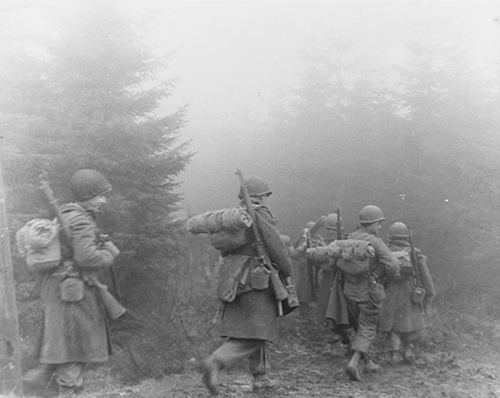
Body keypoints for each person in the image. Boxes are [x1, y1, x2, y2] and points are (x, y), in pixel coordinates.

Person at [22, 169, 121, 396]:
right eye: (100, 195)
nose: (103, 200)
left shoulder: (67, 215)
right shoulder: (80, 220)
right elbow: (87, 258)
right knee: (72, 349)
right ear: (88, 195)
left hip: (61, 289)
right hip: (72, 292)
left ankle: (37, 382)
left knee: (62, 346)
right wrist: (109, 251)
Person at [201, 176, 293, 396]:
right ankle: (216, 361)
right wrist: (287, 269)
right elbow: (275, 245)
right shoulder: (258, 214)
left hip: (233, 278)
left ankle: (261, 376)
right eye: (265, 196)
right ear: (261, 196)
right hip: (256, 279)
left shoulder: (234, 218)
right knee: (258, 330)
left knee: (251, 327)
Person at [343, 205, 400, 381]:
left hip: (348, 290)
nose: (380, 227)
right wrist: (384, 281)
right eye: (379, 223)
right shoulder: (375, 242)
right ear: (371, 223)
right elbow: (393, 265)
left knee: (358, 326)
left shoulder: (348, 238)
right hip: (369, 291)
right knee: (367, 327)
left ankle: (368, 362)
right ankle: (354, 361)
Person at [378, 222, 436, 364]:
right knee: (409, 323)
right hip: (409, 292)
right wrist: (430, 293)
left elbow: (379, 274)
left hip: (389, 292)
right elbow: (425, 275)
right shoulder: (414, 253)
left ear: (390, 236)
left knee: (392, 325)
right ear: (406, 236)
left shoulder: (384, 252)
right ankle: (408, 351)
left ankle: (393, 354)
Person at [287, 221, 325, 308]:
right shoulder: (321, 240)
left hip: (306, 270)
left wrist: (289, 247)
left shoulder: (306, 242)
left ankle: (303, 315)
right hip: (318, 270)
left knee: (303, 293)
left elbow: (295, 255)